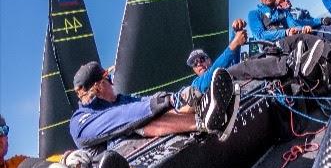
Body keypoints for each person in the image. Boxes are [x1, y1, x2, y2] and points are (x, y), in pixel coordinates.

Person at [69, 61, 235, 150]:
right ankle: (205, 122)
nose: (113, 84)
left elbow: (148, 102)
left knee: (157, 108)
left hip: (146, 142)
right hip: (126, 160)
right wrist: (167, 101)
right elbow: (121, 118)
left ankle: (210, 109)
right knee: (137, 123)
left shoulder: (123, 100)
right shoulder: (79, 122)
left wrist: (183, 98)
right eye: (109, 79)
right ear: (99, 86)